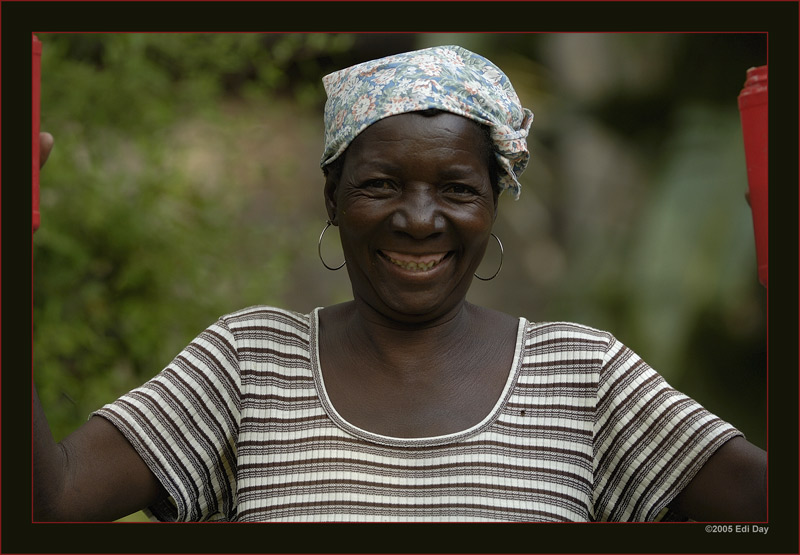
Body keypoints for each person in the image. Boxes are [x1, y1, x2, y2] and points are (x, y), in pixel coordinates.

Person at [33, 45, 766, 523]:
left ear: (493, 201)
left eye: (456, 187)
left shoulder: (583, 373)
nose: (419, 220)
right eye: (381, 183)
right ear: (333, 198)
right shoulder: (246, 362)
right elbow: (50, 502)